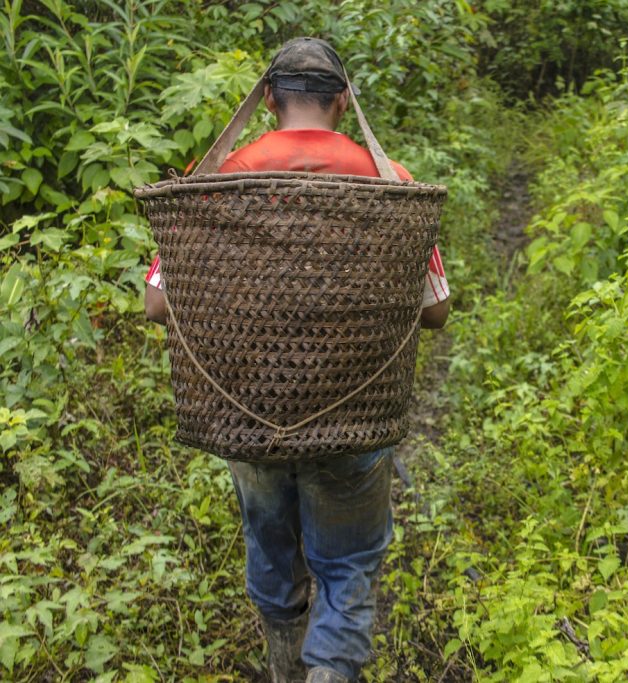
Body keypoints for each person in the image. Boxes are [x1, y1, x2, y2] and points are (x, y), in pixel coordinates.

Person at [143, 37, 450, 683]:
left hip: (247, 411)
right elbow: (435, 311)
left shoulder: (221, 179)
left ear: (271, 102)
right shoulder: (388, 182)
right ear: (343, 100)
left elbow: (156, 304)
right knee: (348, 565)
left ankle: (286, 669)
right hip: (355, 415)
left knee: (273, 552)